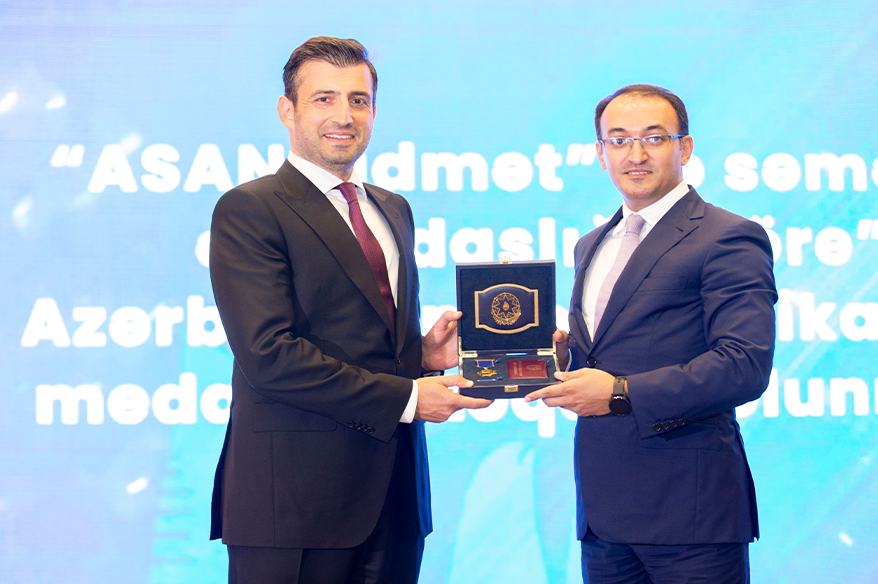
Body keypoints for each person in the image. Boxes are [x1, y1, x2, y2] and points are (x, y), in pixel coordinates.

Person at [208, 36, 490, 584]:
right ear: (287, 110)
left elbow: (367, 338)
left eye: (359, 100)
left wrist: (423, 356)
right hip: (294, 506)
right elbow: (270, 356)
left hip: (396, 499)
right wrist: (410, 397)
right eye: (324, 99)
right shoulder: (250, 208)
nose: (344, 116)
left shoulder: (392, 207)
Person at [526, 84, 777, 583]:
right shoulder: (591, 244)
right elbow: (612, 353)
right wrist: (558, 358)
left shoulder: (728, 236)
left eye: (654, 138)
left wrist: (619, 393)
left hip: (690, 512)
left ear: (685, 148)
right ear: (601, 153)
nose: (635, 154)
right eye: (618, 140)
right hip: (603, 515)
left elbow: (744, 365)